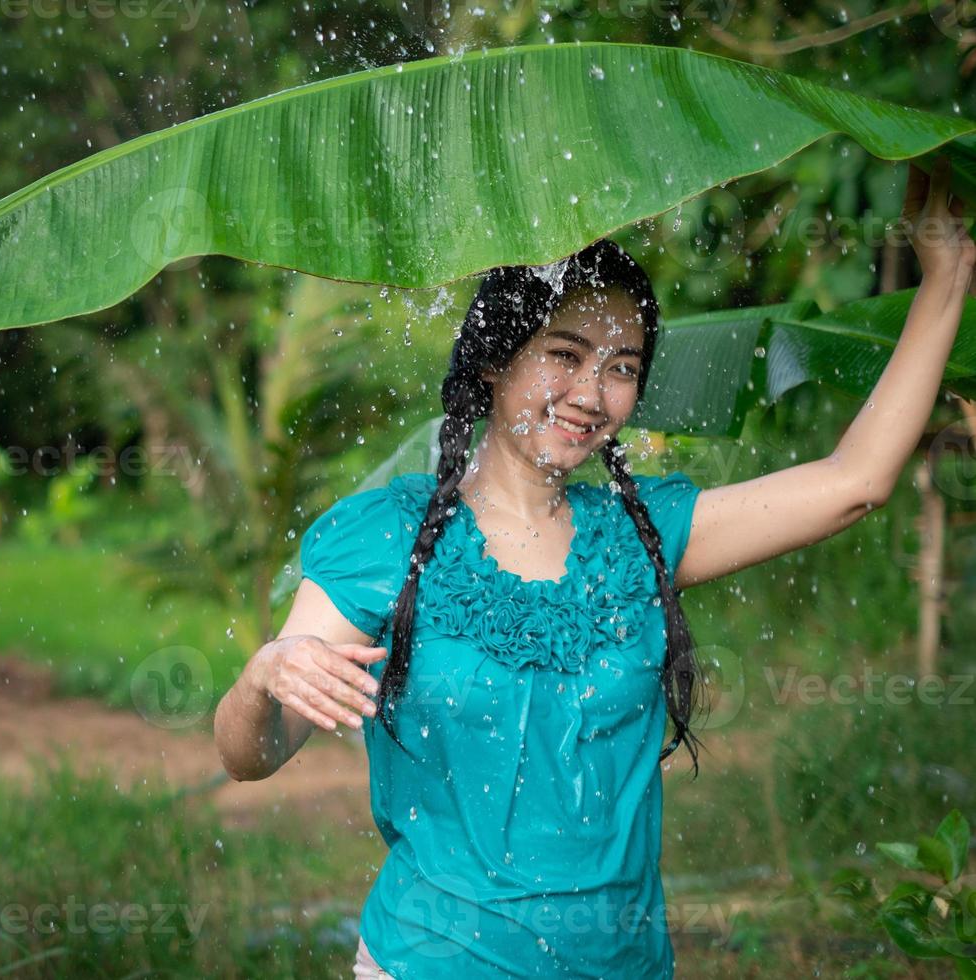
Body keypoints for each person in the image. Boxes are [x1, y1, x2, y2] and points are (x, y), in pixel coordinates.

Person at [212, 161, 972, 978]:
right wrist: (264, 677)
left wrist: (947, 279)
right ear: (494, 360)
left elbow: (853, 485)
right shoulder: (389, 539)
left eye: (620, 367)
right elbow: (250, 754)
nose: (590, 393)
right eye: (565, 354)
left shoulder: (645, 538)